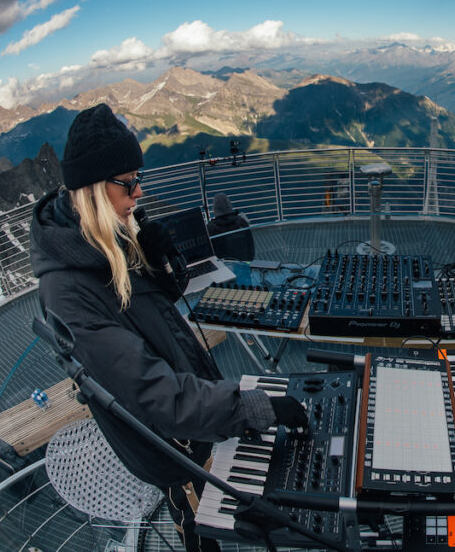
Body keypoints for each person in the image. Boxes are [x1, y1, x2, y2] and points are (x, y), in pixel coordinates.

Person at [30, 104, 307, 552]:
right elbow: (150, 392)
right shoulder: (66, 289)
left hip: (190, 404)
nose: (138, 192)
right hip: (170, 442)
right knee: (197, 521)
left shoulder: (103, 234)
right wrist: (253, 408)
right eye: (129, 182)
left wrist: (161, 263)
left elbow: (156, 308)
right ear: (97, 188)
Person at [206, 192, 255, 261]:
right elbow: (251, 247)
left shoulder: (210, 228)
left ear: (214, 209)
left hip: (225, 267)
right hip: (244, 262)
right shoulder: (242, 222)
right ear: (229, 205)